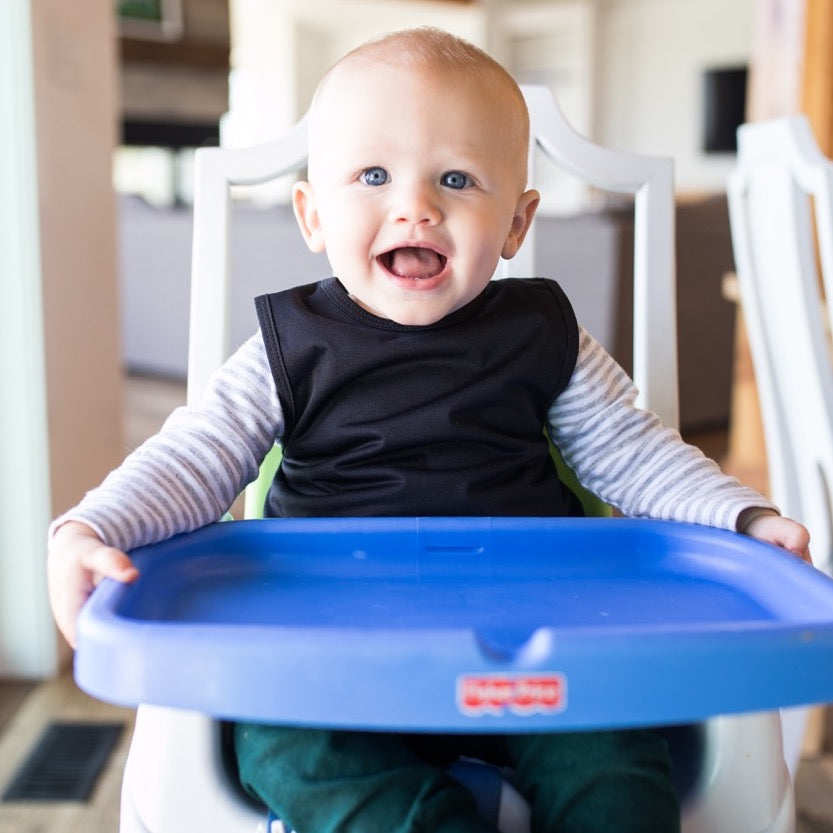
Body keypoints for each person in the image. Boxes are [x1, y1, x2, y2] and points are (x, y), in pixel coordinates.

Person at [48, 27, 810, 833]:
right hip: (327, 643)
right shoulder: (287, 346)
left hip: (536, 634)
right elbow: (193, 458)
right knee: (289, 748)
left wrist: (740, 515)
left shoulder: (543, 333)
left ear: (515, 224)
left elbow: (634, 452)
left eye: (456, 178)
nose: (416, 205)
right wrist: (94, 527)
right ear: (313, 214)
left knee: (617, 762)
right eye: (373, 175)